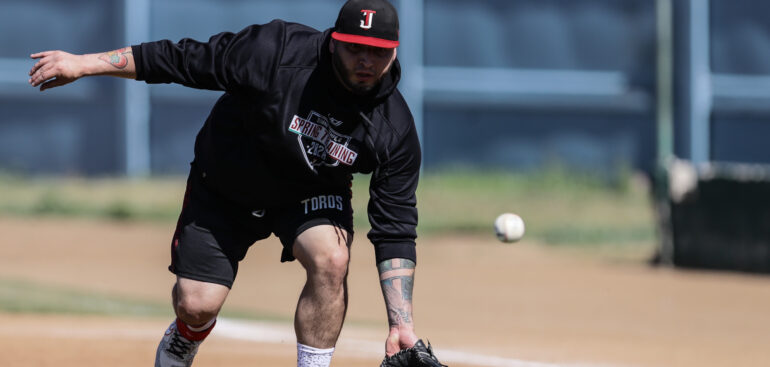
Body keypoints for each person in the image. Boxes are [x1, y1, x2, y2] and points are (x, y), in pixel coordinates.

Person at [28, 1, 439, 366]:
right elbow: (182, 59)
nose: (366, 60)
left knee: (332, 259)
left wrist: (401, 324)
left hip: (309, 192)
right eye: (355, 48)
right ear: (333, 42)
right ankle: (186, 337)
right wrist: (85, 63)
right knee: (196, 304)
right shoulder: (275, 52)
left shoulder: (393, 126)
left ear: (394, 52)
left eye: (378, 52)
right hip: (226, 182)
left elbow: (395, 226)